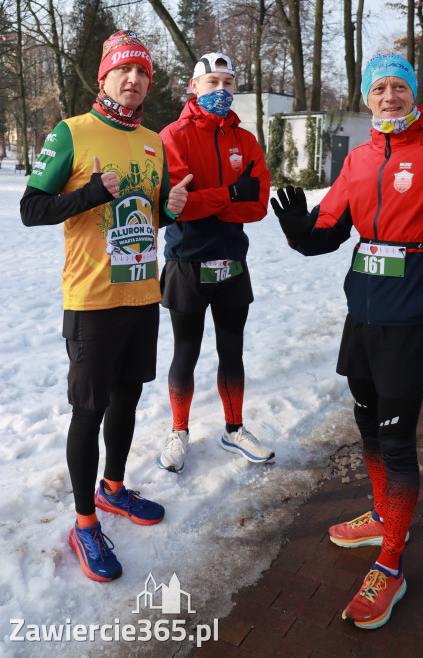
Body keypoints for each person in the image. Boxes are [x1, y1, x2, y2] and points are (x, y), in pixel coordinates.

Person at [271, 50, 423, 629]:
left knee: (396, 437)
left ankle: (392, 562)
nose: (388, 96)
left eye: (398, 87)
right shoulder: (358, 158)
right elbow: (328, 231)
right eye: (378, 88)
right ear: (366, 97)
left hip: (411, 310)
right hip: (364, 309)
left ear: (414, 93)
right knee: (365, 414)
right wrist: (300, 234)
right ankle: (382, 513)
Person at [20, 30, 191, 583]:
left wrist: (170, 207)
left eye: (142, 72)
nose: (134, 80)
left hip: (143, 296)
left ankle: (113, 489)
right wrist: (91, 193)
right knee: (89, 411)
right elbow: (31, 208)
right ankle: (85, 521)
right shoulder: (72, 132)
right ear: (104, 75)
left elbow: (146, 215)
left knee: (128, 400)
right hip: (92, 302)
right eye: (124, 70)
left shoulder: (151, 141)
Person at [158, 52, 274, 473]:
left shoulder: (246, 141)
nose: (221, 91)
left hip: (231, 262)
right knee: (185, 350)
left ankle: (235, 428)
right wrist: (229, 196)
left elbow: (258, 205)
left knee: (232, 350)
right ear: (194, 87)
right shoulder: (171, 136)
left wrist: (213, 202)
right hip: (187, 263)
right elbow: (178, 206)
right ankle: (178, 430)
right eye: (212, 83)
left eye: (228, 83)